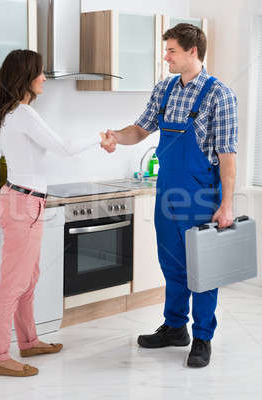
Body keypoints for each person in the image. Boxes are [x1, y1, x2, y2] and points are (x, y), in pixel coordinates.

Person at [100, 23, 238, 368]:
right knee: (172, 265)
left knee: (203, 269)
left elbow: (228, 157)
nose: (166, 57)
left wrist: (226, 205)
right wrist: (116, 137)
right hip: (168, 193)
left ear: (193, 51)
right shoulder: (164, 90)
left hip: (202, 195)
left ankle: (203, 337)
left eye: (172, 50)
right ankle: (176, 327)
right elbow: (140, 129)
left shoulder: (220, 95)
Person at [0, 49, 114, 377]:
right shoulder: (23, 113)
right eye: (40, 73)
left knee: (28, 278)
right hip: (23, 204)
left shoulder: (11, 112)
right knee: (13, 283)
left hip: (23, 200)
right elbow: (64, 147)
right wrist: (99, 137)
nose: (44, 78)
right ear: (25, 77)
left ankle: (29, 341)